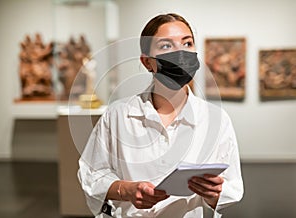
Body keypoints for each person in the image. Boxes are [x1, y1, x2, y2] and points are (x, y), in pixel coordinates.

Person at [78, 13, 244, 218]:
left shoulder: (216, 119)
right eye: (166, 46)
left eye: (187, 43)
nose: (180, 53)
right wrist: (126, 190)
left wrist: (213, 193)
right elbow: (91, 174)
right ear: (147, 62)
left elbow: (232, 187)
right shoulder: (117, 115)